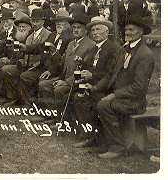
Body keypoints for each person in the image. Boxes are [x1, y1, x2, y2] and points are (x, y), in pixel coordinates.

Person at [96, 16, 154, 159]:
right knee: (94, 96)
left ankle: (117, 147)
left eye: (131, 29)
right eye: (126, 29)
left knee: (104, 105)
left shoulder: (145, 54)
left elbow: (139, 87)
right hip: (122, 96)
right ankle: (100, 140)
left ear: (140, 32)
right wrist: (95, 87)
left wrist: (114, 94)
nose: (127, 32)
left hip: (134, 101)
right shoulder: (125, 49)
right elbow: (112, 73)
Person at [72, 16, 120, 148]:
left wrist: (92, 76)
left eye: (98, 29)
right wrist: (81, 68)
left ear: (106, 31)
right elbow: (87, 66)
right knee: (78, 95)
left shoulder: (113, 48)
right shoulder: (93, 49)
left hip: (106, 88)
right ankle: (88, 133)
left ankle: (92, 137)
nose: (95, 32)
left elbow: (111, 73)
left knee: (84, 99)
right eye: (92, 30)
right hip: (91, 84)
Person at [37, 13, 94, 107]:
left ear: (86, 30)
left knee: (59, 90)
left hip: (77, 81)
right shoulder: (71, 43)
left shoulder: (90, 45)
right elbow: (61, 62)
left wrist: (66, 82)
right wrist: (52, 69)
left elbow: (85, 70)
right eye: (74, 27)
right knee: (43, 84)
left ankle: (59, 117)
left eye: (79, 28)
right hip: (63, 77)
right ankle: (50, 112)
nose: (75, 30)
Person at [2, 9, 53, 104]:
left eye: (37, 21)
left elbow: (45, 54)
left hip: (39, 67)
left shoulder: (48, 35)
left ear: (43, 22)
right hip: (26, 65)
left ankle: (27, 103)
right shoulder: (30, 35)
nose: (34, 24)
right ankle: (12, 98)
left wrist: (35, 63)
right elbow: (24, 52)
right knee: (6, 69)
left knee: (24, 76)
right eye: (33, 21)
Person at [0, 12, 31, 99]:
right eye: (20, 27)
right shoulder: (14, 34)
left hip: (21, 63)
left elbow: (23, 55)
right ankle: (1, 92)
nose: (21, 29)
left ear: (29, 28)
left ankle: (10, 96)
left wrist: (10, 61)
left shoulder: (28, 37)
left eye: (23, 27)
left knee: (4, 67)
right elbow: (5, 50)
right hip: (12, 59)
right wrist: (5, 57)